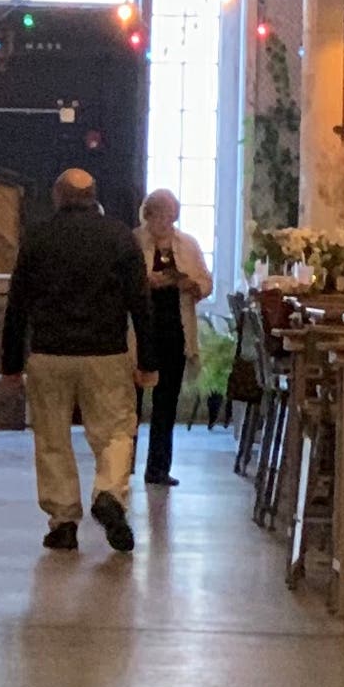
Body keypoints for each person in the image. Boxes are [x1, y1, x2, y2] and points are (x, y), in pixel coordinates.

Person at [0, 166, 153, 553]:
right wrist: (147, 359)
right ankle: (108, 494)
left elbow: (17, 304)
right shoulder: (119, 237)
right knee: (116, 431)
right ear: (94, 196)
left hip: (49, 353)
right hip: (105, 353)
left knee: (52, 437)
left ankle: (63, 522)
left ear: (57, 196)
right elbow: (141, 303)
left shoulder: (38, 238)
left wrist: (11, 363)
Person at [134, 188, 212, 488]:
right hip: (141, 332)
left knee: (166, 403)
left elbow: (206, 282)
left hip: (174, 329)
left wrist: (191, 284)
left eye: (169, 216)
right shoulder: (134, 241)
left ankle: (158, 468)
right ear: (148, 215)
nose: (163, 222)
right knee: (132, 401)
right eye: (157, 215)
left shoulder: (187, 245)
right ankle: (123, 465)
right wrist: (145, 282)